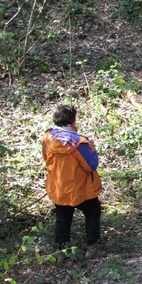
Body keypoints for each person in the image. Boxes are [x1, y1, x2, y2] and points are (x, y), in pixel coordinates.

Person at [43, 105, 103, 262]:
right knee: (92, 213)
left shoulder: (48, 138)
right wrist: (92, 149)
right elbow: (91, 165)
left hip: (59, 188)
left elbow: (46, 158)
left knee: (63, 218)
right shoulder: (78, 143)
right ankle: (92, 246)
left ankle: (61, 250)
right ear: (72, 121)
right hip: (81, 188)